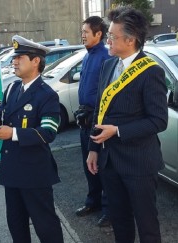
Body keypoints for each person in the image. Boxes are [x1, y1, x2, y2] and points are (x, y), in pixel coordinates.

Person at [87, 6, 168, 243]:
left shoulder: (151, 71)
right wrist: (93, 149)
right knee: (120, 222)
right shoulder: (109, 66)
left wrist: (118, 131)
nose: (108, 41)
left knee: (147, 225)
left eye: (112, 36)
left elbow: (158, 120)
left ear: (131, 40)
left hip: (139, 163)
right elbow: (99, 112)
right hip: (109, 161)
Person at [0, 35, 64, 243]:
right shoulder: (12, 88)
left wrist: (12, 133)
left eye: (20, 57)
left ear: (36, 61)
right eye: (14, 58)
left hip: (35, 172)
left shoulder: (47, 95)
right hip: (12, 170)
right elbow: (1, 112)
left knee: (45, 225)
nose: (14, 61)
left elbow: (48, 132)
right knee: (16, 223)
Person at [74, 16, 111, 227]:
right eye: (82, 31)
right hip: (84, 119)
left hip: (98, 120)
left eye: (86, 32)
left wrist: (95, 115)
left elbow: (106, 93)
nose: (83, 35)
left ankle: (108, 209)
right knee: (88, 165)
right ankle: (93, 202)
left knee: (103, 167)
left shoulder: (106, 56)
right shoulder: (87, 56)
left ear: (98, 34)